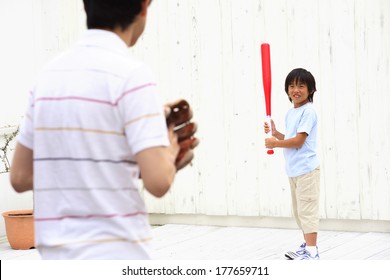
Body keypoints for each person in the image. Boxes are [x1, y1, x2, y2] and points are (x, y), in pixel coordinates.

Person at [10, 0, 197, 259]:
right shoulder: (133, 77)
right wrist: (169, 144)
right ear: (144, 7)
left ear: (87, 6)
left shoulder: (47, 76)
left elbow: (19, 177)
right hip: (118, 255)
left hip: (56, 261)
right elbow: (158, 182)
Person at [264, 68, 320, 260]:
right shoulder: (291, 113)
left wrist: (276, 144)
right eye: (292, 86)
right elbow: (289, 137)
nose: (296, 89)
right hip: (294, 171)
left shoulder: (309, 112)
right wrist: (275, 133)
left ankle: (312, 253)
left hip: (307, 170)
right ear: (287, 90)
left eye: (301, 86)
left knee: (307, 211)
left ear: (311, 89)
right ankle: (307, 247)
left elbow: (298, 142)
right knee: (299, 212)